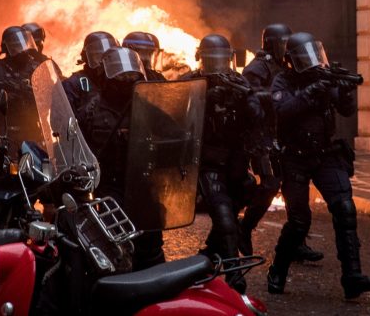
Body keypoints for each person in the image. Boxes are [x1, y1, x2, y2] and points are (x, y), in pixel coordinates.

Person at [267, 32, 370, 299]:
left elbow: (346, 110)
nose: (312, 62)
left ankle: (352, 276)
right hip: (295, 157)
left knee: (345, 208)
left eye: (314, 55)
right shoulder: (283, 80)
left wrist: (345, 92)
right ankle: (278, 270)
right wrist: (309, 92)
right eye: (304, 57)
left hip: (326, 154)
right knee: (299, 220)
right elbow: (281, 112)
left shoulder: (323, 77)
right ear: (292, 61)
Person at [181, 34, 263, 293]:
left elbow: (259, 118)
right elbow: (173, 116)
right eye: (211, 60)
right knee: (225, 219)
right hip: (208, 163)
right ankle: (235, 279)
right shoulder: (190, 82)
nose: (217, 66)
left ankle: (208, 255)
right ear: (201, 59)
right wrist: (203, 99)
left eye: (221, 60)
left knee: (244, 197)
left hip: (237, 164)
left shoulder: (239, 82)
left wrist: (244, 99)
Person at [76, 46, 167, 270]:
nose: (127, 80)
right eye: (121, 76)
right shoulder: (91, 110)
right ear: (107, 77)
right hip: (110, 188)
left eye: (131, 75)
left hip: (143, 184)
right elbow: (75, 149)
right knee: (114, 245)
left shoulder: (147, 106)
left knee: (152, 246)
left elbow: (172, 133)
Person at [239, 23, 323, 262]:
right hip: (262, 135)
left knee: (293, 188)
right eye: (281, 44)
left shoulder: (287, 66)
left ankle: (297, 242)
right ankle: (244, 228)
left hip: (284, 133)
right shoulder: (257, 67)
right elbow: (249, 98)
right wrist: (277, 96)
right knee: (270, 184)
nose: (285, 48)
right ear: (269, 44)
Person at [0, 26, 45, 150]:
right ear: (6, 48)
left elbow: (51, 96)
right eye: (17, 46)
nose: (22, 50)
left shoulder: (36, 68)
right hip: (3, 134)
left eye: (24, 45)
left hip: (32, 133)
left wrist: (36, 95)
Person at [61, 31, 118, 111]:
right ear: (86, 58)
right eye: (98, 56)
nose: (103, 61)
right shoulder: (73, 84)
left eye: (109, 56)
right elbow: (63, 118)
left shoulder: (120, 81)